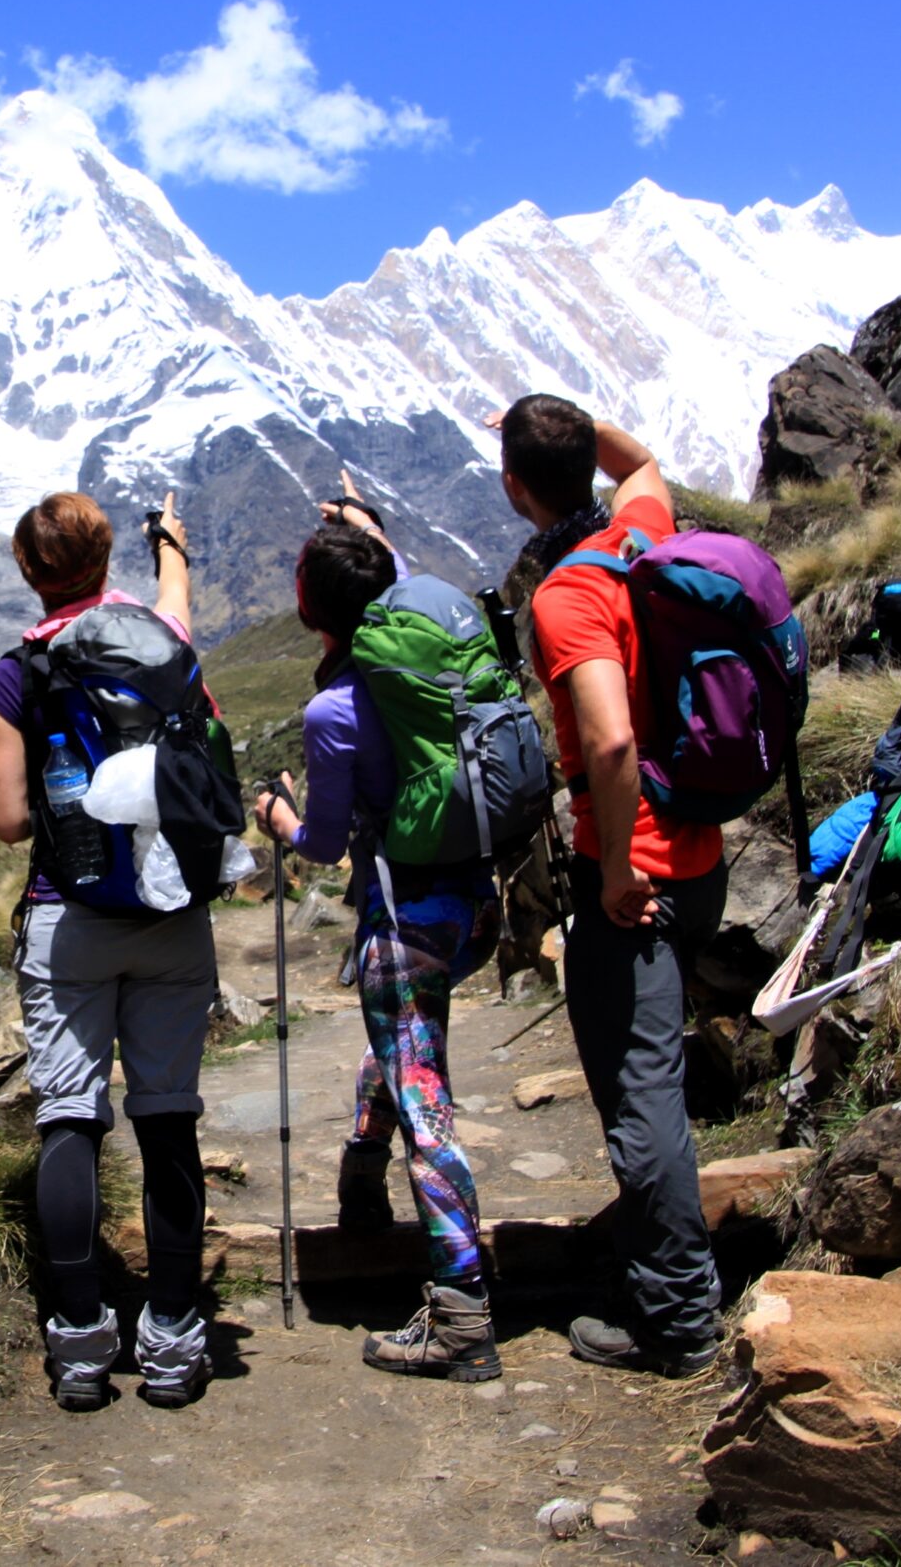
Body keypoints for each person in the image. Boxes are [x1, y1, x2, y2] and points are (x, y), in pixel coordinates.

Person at [252, 478, 505, 1383]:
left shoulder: (334, 711)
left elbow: (322, 845)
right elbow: (383, 565)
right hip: (475, 902)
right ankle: (362, 1173)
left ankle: (463, 1314)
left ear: (309, 609)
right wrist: (361, 524)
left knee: (424, 1098)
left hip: (404, 922)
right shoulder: (423, 644)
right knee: (401, 1046)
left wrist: (279, 818)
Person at [0, 490, 217, 1411]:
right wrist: (172, 547)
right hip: (171, 915)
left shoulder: (13, 674)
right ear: (105, 557)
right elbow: (177, 601)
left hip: (66, 917)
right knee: (168, 1119)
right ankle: (173, 1335)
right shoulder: (162, 640)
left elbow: (3, 819)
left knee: (69, 1117)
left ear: (29, 573)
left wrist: (73, 820)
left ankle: (79, 1341)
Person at [499, 393, 722, 1378]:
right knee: (652, 1083)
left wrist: (623, 868)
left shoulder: (566, 595)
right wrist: (585, 437)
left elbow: (609, 739)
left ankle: (675, 1320)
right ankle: (666, 1275)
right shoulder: (641, 533)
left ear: (515, 491)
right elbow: (641, 465)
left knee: (640, 1098)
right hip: (703, 850)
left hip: (634, 873)